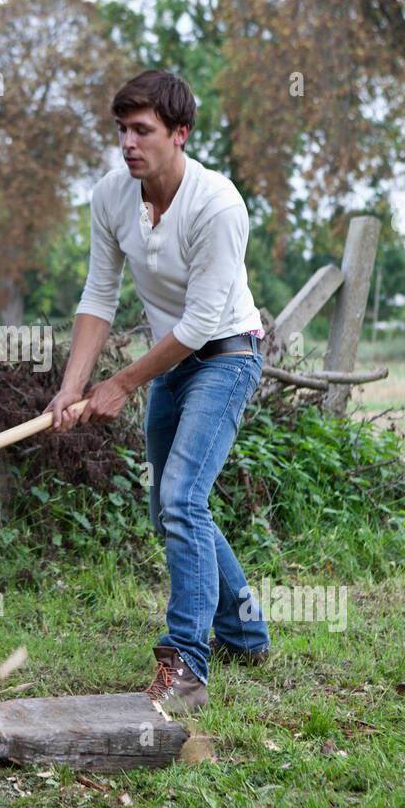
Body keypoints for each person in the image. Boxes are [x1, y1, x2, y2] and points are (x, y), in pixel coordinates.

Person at [46, 69, 269, 714]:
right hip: (173, 362)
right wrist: (72, 387)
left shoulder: (218, 205)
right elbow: (98, 297)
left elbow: (201, 324)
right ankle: (246, 632)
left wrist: (119, 384)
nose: (128, 143)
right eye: (121, 129)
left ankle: (188, 668)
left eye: (142, 130)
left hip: (226, 356)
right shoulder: (112, 197)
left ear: (180, 133)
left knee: (179, 498)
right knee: (170, 506)